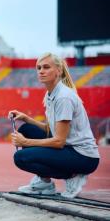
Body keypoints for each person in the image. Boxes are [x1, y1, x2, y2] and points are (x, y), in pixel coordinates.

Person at [8, 52, 100, 198]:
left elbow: (58, 141)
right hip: (68, 148)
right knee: (26, 129)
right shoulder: (51, 94)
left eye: (46, 67)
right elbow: (50, 130)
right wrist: (27, 118)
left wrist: (25, 142)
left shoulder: (63, 97)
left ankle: (73, 176)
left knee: (21, 158)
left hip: (83, 157)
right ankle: (44, 182)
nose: (41, 71)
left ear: (58, 70)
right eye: (38, 68)